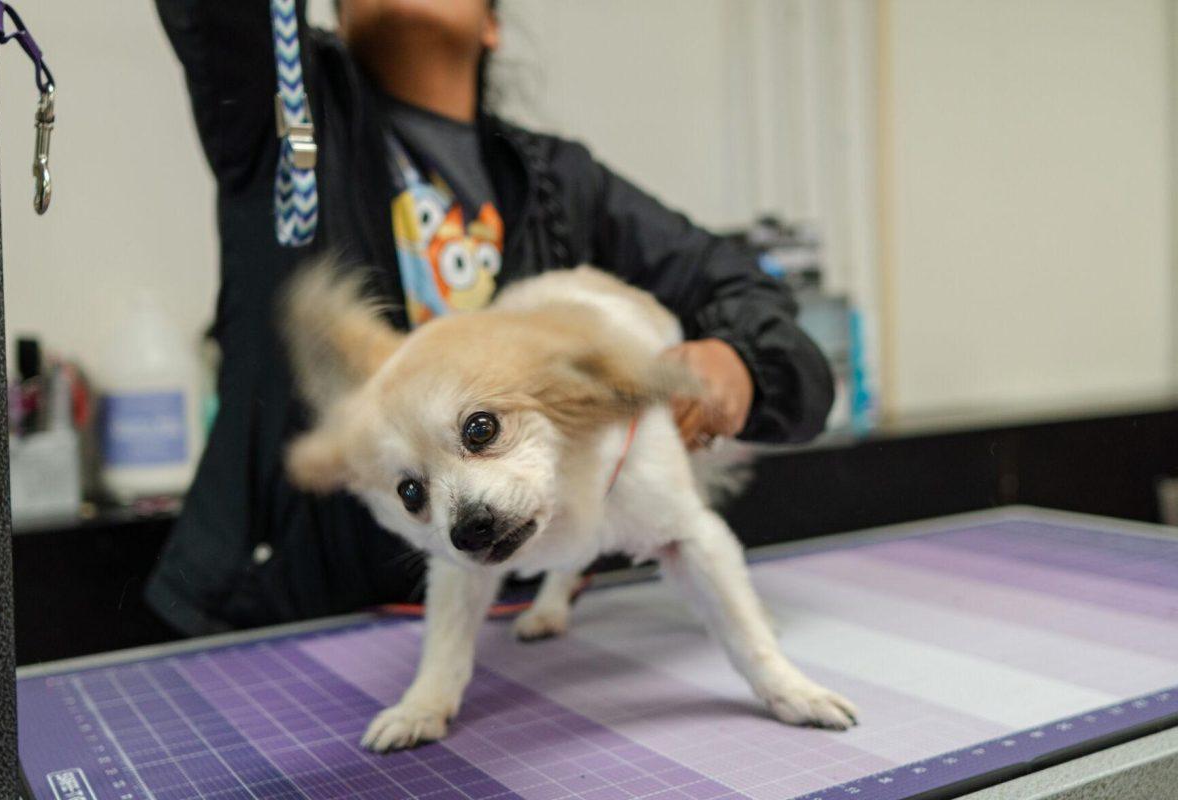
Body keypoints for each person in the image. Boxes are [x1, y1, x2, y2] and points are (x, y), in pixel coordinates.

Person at [145, 0, 835, 636]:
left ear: (492, 25)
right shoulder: (286, 112)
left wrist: (740, 362)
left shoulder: (563, 186)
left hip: (522, 622)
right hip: (293, 618)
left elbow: (753, 300)